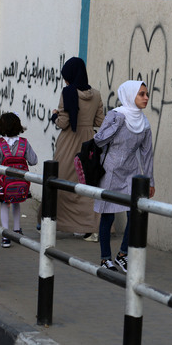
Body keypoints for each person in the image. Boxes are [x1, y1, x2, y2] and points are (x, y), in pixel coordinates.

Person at [93, 80, 156, 272]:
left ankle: (122, 255)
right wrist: (117, 124)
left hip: (131, 172)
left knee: (134, 214)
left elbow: (147, 154)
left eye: (146, 94)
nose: (146, 98)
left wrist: (150, 181)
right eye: (141, 94)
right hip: (111, 171)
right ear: (130, 96)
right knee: (108, 217)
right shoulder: (116, 115)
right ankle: (105, 258)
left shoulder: (144, 123)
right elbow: (99, 139)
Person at [48, 57, 105, 241]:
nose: (65, 80)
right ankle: (90, 227)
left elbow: (64, 122)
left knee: (59, 182)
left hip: (69, 142)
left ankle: (51, 220)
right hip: (88, 143)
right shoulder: (96, 94)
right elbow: (100, 122)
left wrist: (54, 117)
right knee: (88, 183)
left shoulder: (68, 93)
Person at [0, 112, 38, 248]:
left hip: (3, 183)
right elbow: (33, 160)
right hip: (21, 184)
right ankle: (17, 230)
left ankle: (5, 235)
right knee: (17, 202)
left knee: (4, 204)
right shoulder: (24, 143)